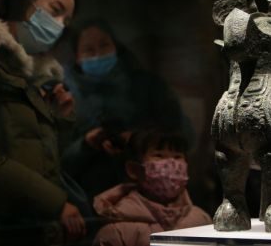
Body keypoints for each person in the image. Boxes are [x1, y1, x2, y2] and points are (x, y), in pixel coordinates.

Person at [0, 0, 86, 245]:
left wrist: (59, 120)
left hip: (31, 223)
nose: (59, 25)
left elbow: (35, 156)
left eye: (66, 21)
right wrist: (54, 203)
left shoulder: (33, 76)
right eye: (55, 10)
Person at [61, 19, 195, 203]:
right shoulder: (65, 94)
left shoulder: (146, 86)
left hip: (152, 194)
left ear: (116, 46)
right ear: (77, 56)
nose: (98, 54)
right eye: (89, 50)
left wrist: (136, 139)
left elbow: (182, 134)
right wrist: (86, 143)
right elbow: (57, 159)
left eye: (104, 45)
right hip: (86, 198)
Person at [92, 128, 212, 246]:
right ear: (133, 170)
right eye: (159, 155)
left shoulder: (201, 220)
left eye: (177, 157)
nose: (170, 163)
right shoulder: (116, 230)